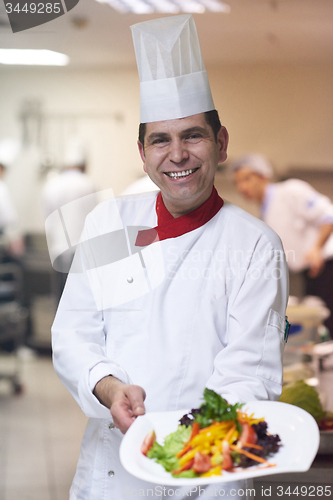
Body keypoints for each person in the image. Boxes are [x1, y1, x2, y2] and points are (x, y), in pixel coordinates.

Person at [52, 15, 289, 500]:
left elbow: (249, 372)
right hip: (113, 472)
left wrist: (183, 445)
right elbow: (73, 333)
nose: (177, 154)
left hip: (207, 468)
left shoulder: (256, 246)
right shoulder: (110, 224)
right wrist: (110, 387)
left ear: (221, 144)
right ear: (143, 153)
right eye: (161, 139)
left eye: (193, 136)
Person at [231, 153, 333, 335]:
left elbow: (328, 215)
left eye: (247, 179)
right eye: (237, 182)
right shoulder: (264, 213)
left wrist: (317, 247)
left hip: (327, 265)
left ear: (263, 175)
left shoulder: (291, 190)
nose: (242, 187)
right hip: (309, 273)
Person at [42, 136, 98, 300]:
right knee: (81, 298)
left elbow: (47, 216)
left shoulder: (52, 184)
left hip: (59, 249)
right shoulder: (88, 183)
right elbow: (95, 217)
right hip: (83, 249)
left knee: (61, 296)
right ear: (84, 164)